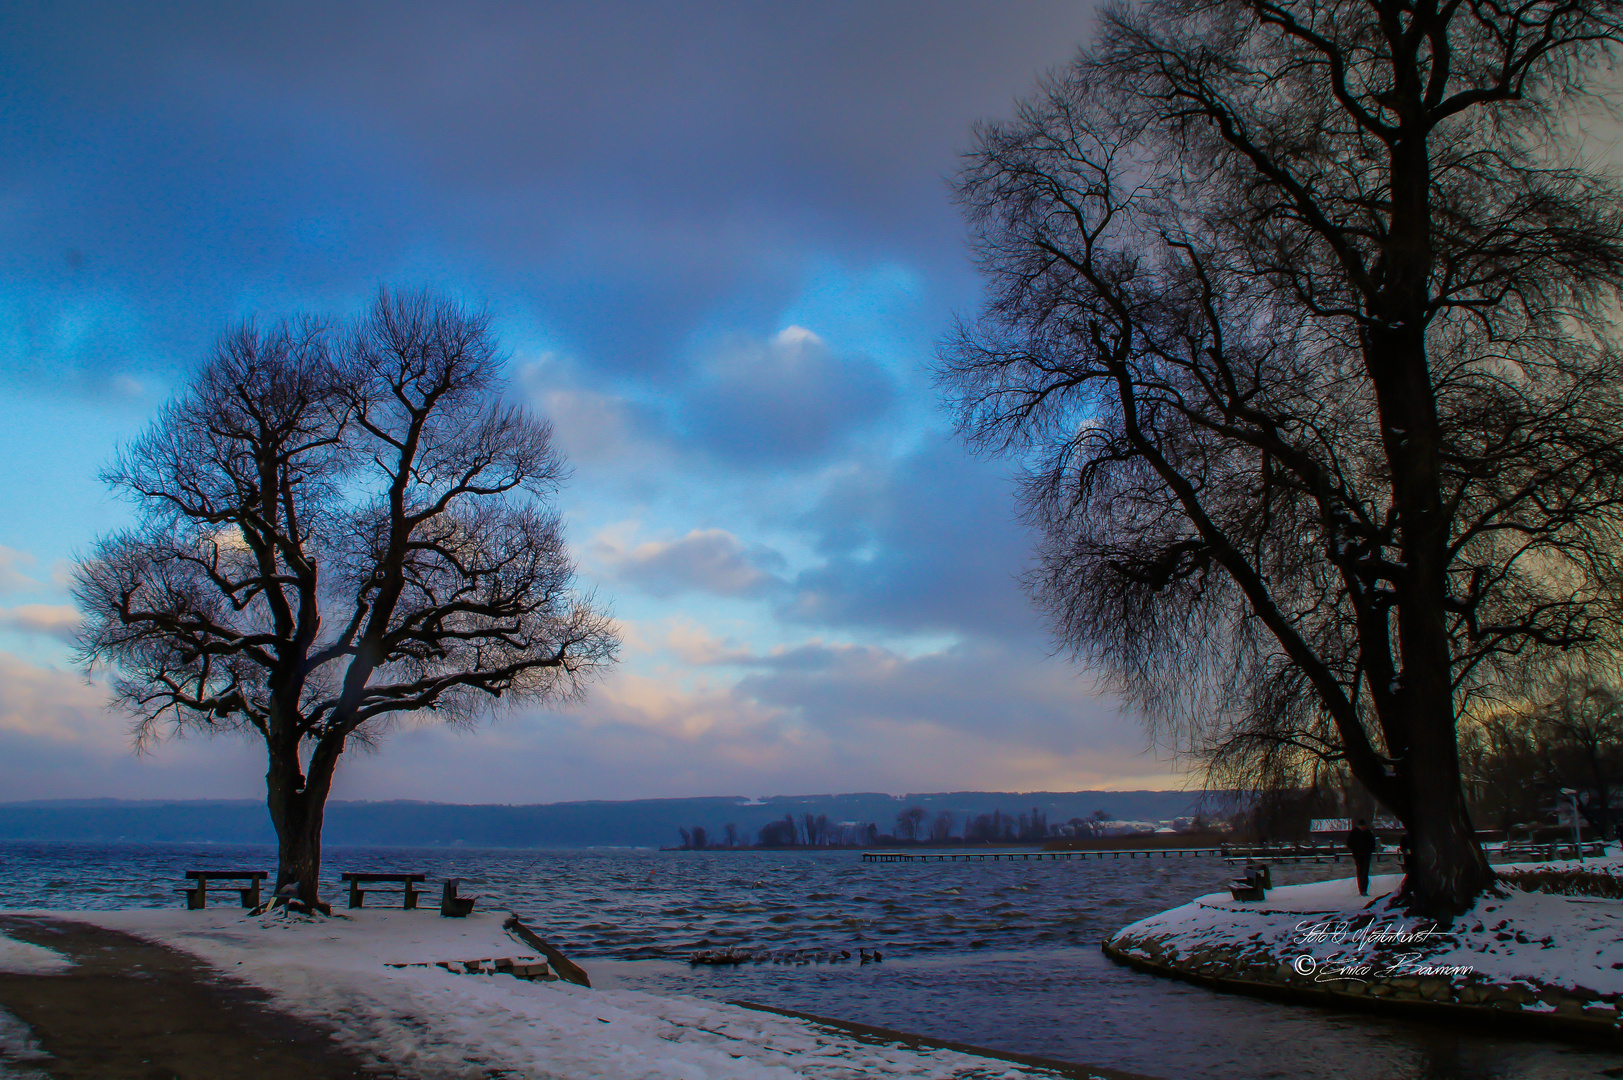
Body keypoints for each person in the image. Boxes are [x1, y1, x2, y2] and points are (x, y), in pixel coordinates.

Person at [1346, 819, 1378, 896]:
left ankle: (1364, 889)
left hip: (1366, 855)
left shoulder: (1368, 833)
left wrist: (1370, 851)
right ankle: (1361, 889)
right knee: (1360, 872)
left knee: (1365, 872)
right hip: (1358, 855)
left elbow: (1373, 844)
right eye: (1361, 826)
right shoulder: (1354, 833)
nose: (1362, 827)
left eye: (1363, 826)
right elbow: (1349, 843)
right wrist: (1354, 851)